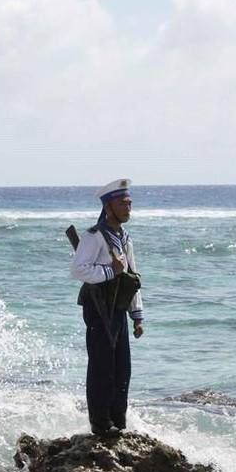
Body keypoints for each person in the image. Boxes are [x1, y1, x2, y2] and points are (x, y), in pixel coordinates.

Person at [70, 179, 145, 435]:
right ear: (108, 206)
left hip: (118, 309)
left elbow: (131, 277)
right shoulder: (94, 236)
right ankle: (101, 424)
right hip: (98, 307)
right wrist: (109, 271)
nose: (128, 209)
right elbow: (79, 269)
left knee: (122, 367)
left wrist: (137, 316)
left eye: (129, 204)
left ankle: (118, 422)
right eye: (122, 204)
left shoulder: (125, 237)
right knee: (102, 367)